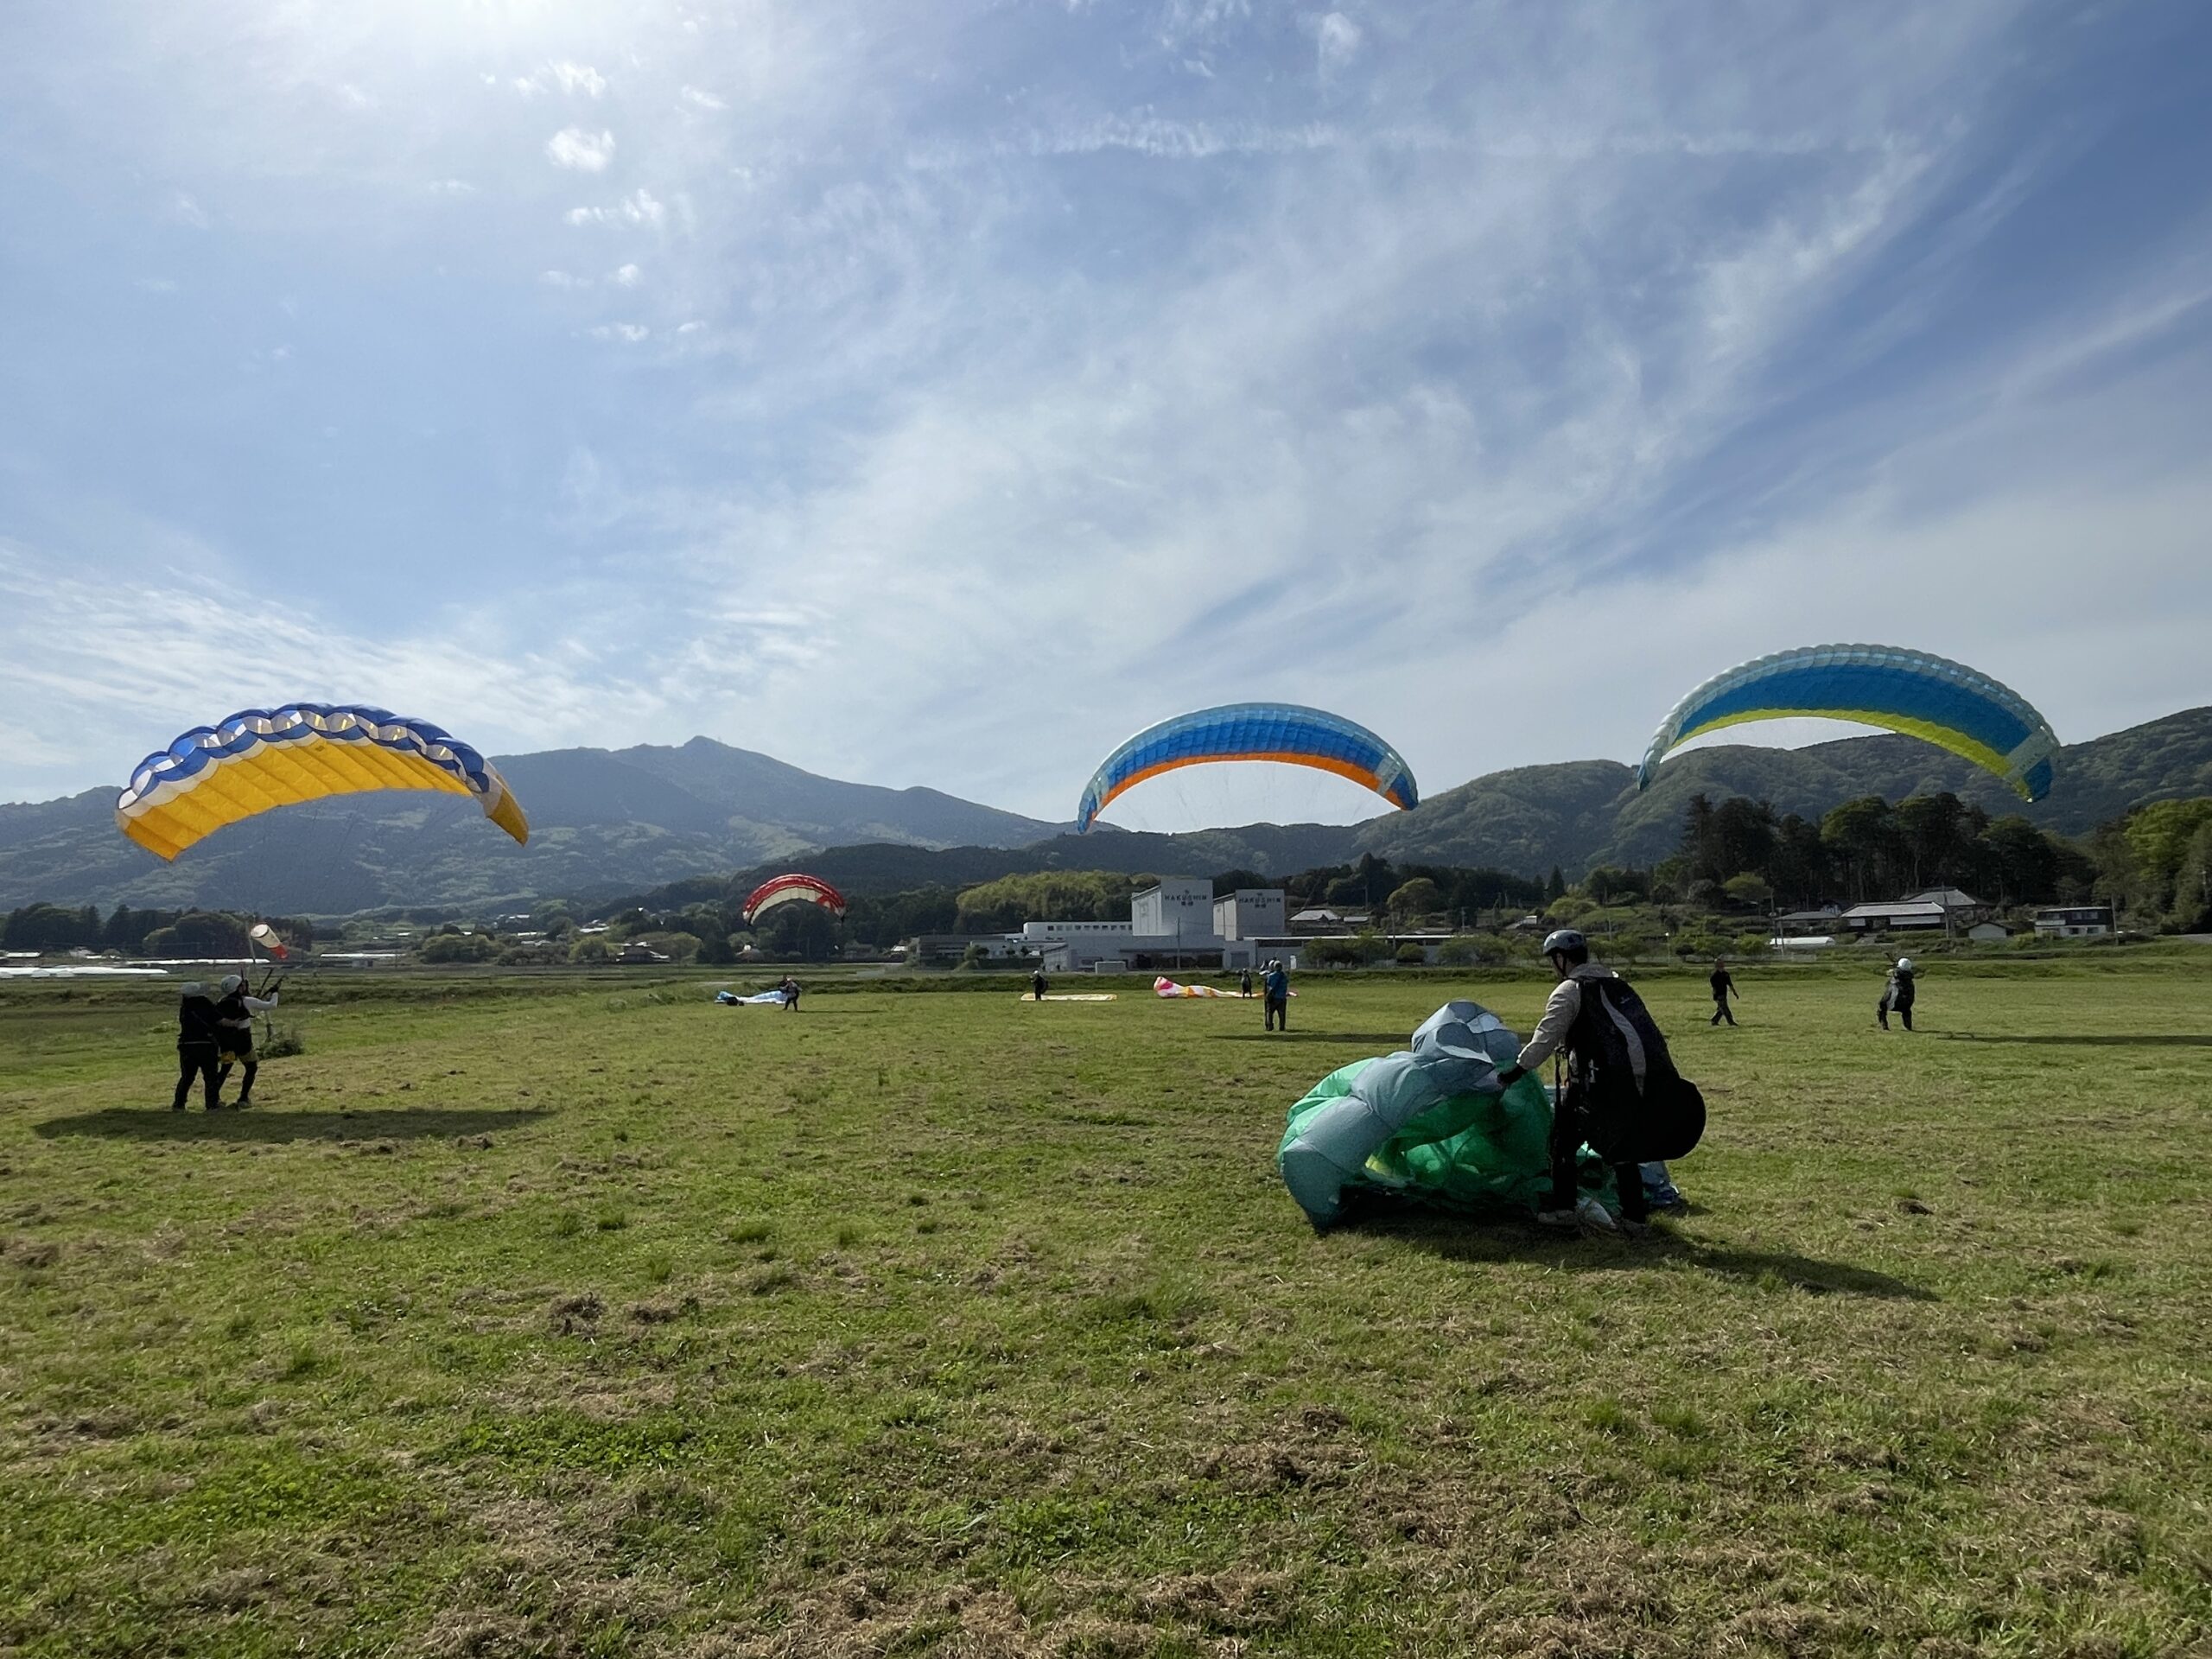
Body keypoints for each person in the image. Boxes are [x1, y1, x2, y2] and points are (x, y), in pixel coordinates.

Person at [1495, 928, 1673, 1236]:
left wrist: (1514, 1072)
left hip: (1591, 1083)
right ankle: (1635, 1220)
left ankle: (1564, 1211)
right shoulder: (1617, 984)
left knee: (1562, 1144)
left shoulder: (1570, 990)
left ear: (1561, 958)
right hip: (1630, 1082)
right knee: (1623, 1149)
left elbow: (1545, 1039)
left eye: (1553, 960)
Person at [211, 973, 279, 1108]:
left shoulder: (221, 1001)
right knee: (251, 1067)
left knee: (225, 1070)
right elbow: (272, 1005)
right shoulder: (247, 1001)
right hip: (243, 1042)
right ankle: (243, 1098)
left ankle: (213, 1099)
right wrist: (275, 992)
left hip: (227, 1043)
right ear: (238, 987)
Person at [171, 982, 225, 1111]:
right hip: (205, 1044)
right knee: (210, 1076)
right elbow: (219, 1020)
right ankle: (212, 1104)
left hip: (186, 1045)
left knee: (187, 1077)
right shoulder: (205, 1003)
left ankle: (179, 1104)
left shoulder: (185, 1007)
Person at [1878, 957, 1916, 1031]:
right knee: (1907, 1011)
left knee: (1882, 1006)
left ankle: (1884, 1027)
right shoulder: (1910, 979)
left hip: (1894, 1004)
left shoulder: (1896, 976)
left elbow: (1888, 973)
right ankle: (1908, 1026)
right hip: (1907, 1005)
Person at [1262, 959, 1290, 1032]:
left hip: (1273, 997)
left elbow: (1268, 985)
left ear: (1274, 967)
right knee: (1282, 1014)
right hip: (1282, 997)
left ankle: (1270, 1026)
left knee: (1270, 1012)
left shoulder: (1271, 976)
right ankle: (1282, 1027)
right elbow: (1286, 984)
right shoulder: (1284, 976)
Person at [1709, 957, 1739, 1027]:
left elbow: (1730, 984)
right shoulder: (1714, 975)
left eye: (1722, 963)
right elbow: (1714, 986)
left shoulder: (1726, 974)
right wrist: (1716, 995)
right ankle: (1731, 1022)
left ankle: (1714, 1020)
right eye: (1720, 963)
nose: (1722, 964)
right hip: (1718, 995)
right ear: (1716, 965)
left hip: (1724, 994)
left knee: (1721, 1009)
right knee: (1725, 1009)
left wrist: (1734, 992)